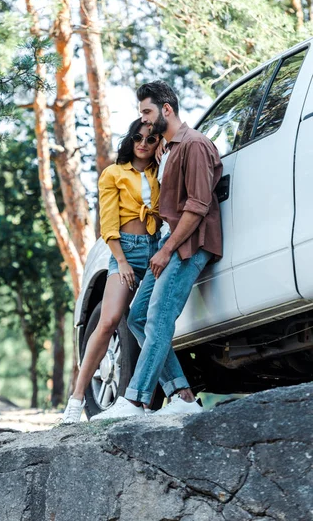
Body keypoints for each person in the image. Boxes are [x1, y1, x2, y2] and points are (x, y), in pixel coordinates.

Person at [91, 80, 223, 421]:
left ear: (167, 109)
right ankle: (182, 395)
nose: (145, 121)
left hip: (188, 245)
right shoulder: (172, 148)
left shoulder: (194, 144)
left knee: (159, 317)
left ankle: (134, 401)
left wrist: (168, 250)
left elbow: (197, 206)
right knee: (137, 316)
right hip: (170, 244)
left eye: (148, 112)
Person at [62, 119, 162, 423]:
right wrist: (120, 261)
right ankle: (76, 399)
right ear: (129, 140)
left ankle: (147, 399)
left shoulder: (160, 171)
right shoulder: (114, 174)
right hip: (126, 251)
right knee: (108, 321)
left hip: (156, 247)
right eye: (138, 138)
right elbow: (108, 224)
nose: (143, 144)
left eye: (151, 139)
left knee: (153, 322)